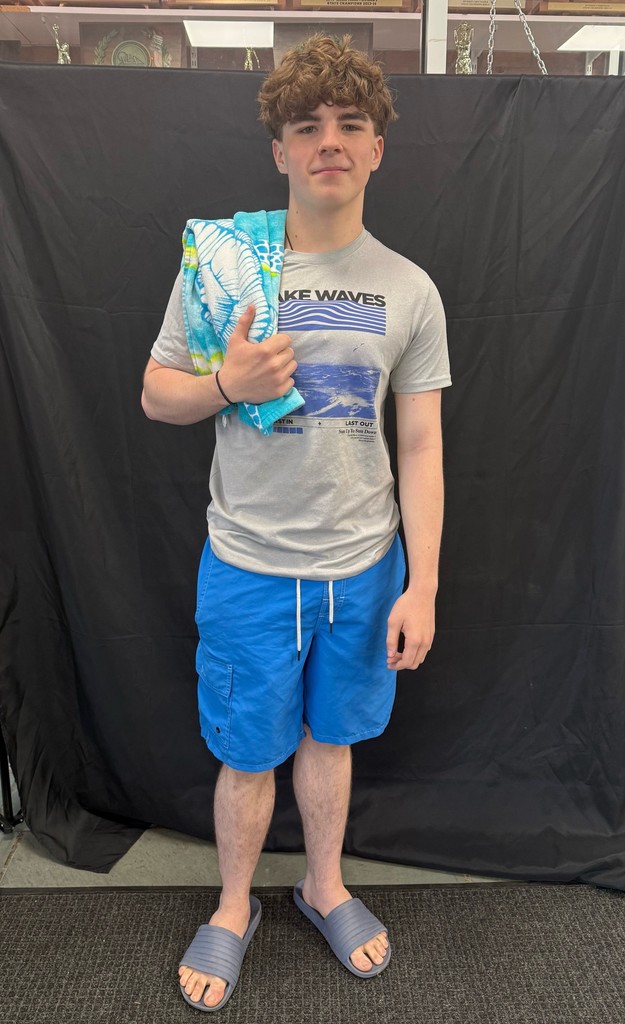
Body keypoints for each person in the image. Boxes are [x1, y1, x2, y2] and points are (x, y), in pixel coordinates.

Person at [141, 33, 451, 1012]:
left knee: (332, 740)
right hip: (248, 564)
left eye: (348, 126)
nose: (328, 142)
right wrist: (224, 382)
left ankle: (322, 886)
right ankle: (233, 906)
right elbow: (155, 393)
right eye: (305, 127)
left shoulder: (409, 289)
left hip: (362, 568)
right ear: (278, 149)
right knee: (245, 751)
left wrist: (423, 582)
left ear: (375, 150)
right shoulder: (224, 262)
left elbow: (422, 448)